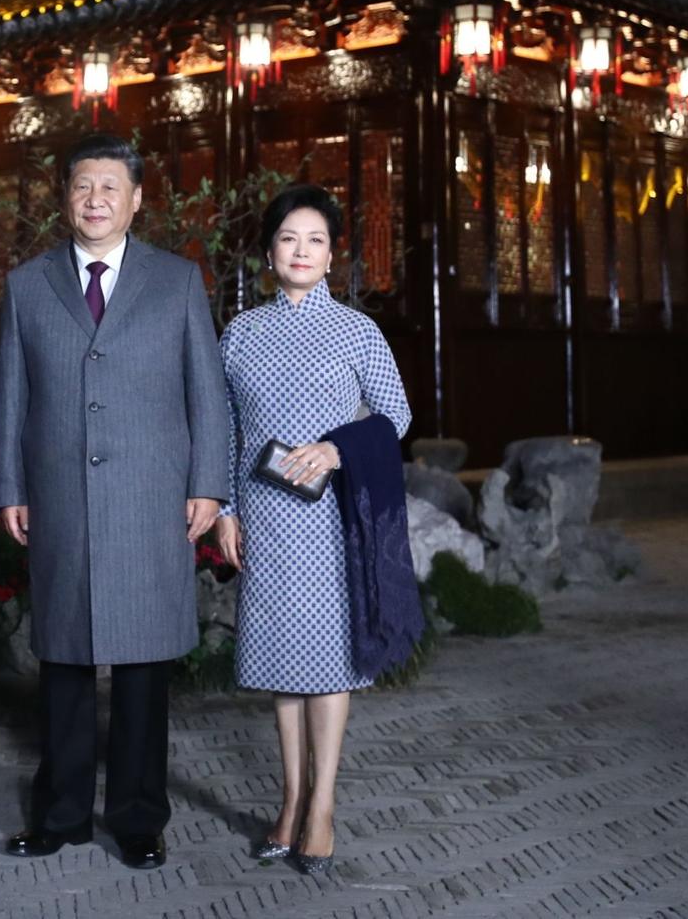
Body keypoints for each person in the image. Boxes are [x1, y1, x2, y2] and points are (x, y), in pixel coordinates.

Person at [0, 133, 231, 870]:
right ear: (64, 199)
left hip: (150, 498)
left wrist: (209, 485)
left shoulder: (177, 280)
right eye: (80, 187)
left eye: (109, 188)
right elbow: (12, 396)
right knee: (62, 662)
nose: (94, 200)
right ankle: (60, 813)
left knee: (141, 670)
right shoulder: (28, 284)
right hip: (60, 497)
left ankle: (137, 818)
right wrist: (9, 487)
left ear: (135, 200)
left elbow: (207, 393)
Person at [214, 183, 412, 875]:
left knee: (327, 665)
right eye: (289, 239)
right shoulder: (240, 332)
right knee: (280, 666)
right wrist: (228, 511)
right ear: (269, 252)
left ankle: (322, 805)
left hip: (330, 519)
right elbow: (227, 431)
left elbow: (395, 417)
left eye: (316, 240)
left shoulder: (358, 331)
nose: (302, 251)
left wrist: (337, 448)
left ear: (332, 256)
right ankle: (290, 800)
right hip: (264, 519)